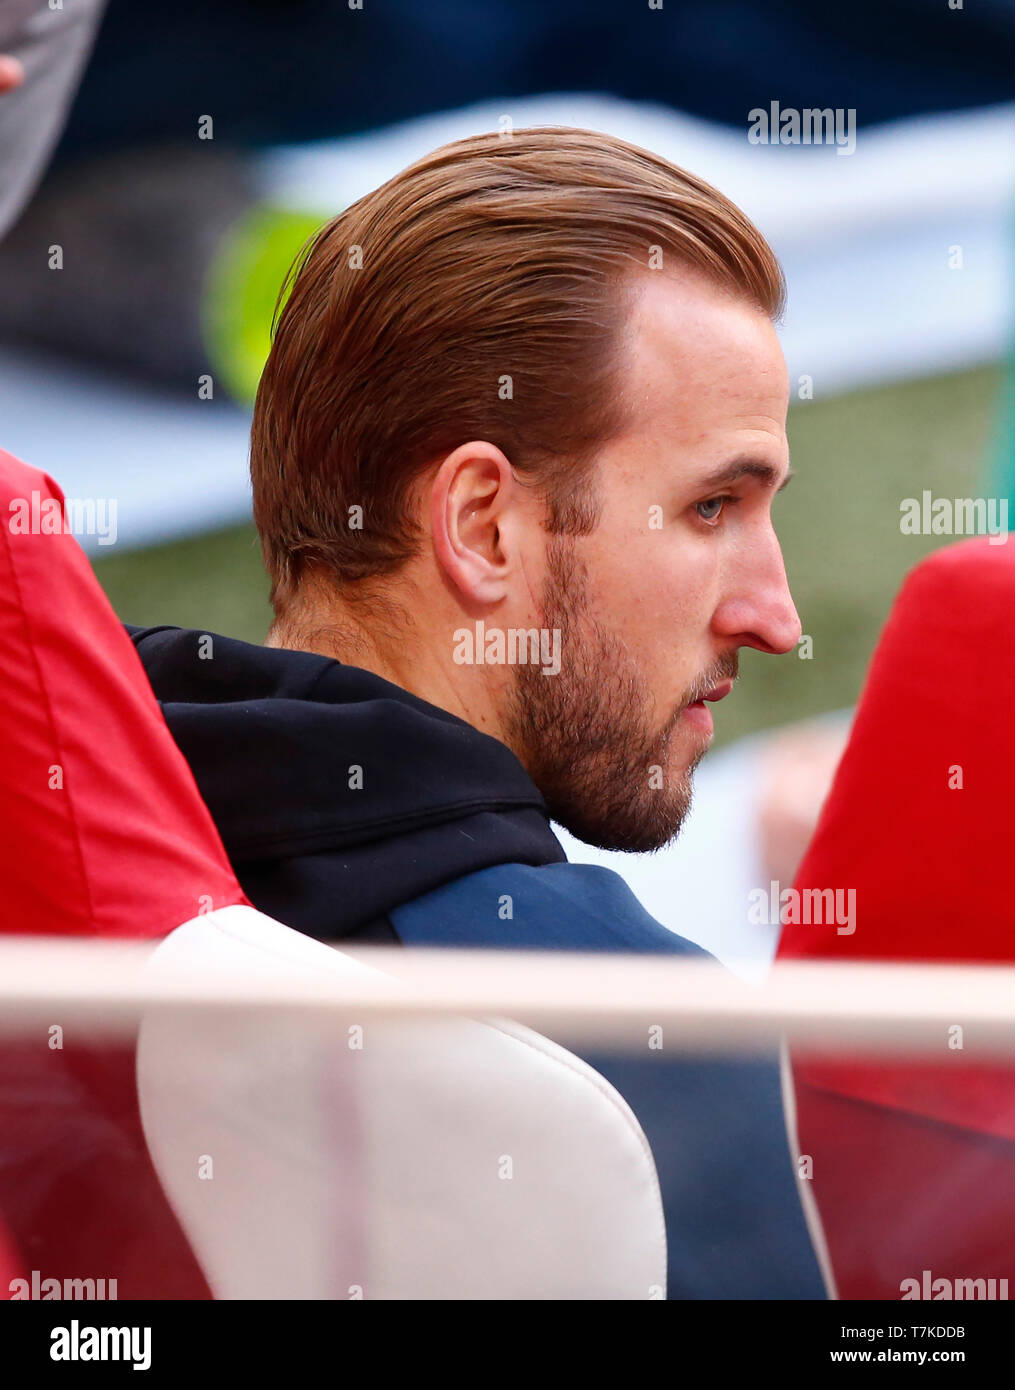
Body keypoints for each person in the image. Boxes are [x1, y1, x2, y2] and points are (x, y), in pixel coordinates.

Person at [128, 127, 827, 1298]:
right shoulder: (648, 1045)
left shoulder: (73, 828)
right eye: (711, 506)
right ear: (483, 527)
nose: (775, 613)